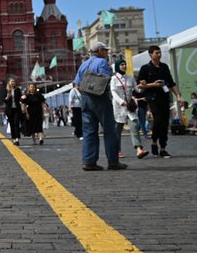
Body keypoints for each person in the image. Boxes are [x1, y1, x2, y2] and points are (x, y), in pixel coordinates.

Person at [74, 42, 126, 171]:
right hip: (99, 99)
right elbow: (106, 79)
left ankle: (89, 161)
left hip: (85, 99)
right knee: (110, 130)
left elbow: (77, 83)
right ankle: (113, 162)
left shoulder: (84, 64)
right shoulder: (102, 62)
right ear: (100, 51)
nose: (107, 53)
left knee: (89, 131)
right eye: (105, 50)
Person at [137, 45, 183, 158]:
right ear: (150, 54)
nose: (159, 55)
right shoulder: (145, 68)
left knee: (165, 123)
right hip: (152, 98)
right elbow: (140, 85)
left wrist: (178, 95)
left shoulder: (164, 67)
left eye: (160, 52)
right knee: (158, 120)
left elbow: (171, 83)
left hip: (164, 97)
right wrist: (153, 84)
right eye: (156, 53)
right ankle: (154, 142)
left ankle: (163, 148)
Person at [110, 59, 148, 159]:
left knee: (134, 125)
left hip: (130, 106)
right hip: (118, 107)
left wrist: (143, 86)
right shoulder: (113, 79)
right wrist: (120, 101)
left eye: (125, 64)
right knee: (117, 130)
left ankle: (139, 149)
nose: (124, 66)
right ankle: (117, 150)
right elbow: (113, 92)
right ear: (117, 66)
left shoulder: (130, 77)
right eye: (122, 64)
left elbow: (137, 90)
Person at [4, 78, 23, 144]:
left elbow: (20, 98)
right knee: (12, 124)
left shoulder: (18, 90)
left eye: (14, 81)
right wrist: (7, 97)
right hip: (9, 110)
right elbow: (4, 101)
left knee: (16, 123)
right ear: (9, 82)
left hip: (17, 109)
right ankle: (14, 138)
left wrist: (23, 98)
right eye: (12, 81)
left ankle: (17, 139)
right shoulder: (6, 90)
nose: (13, 82)